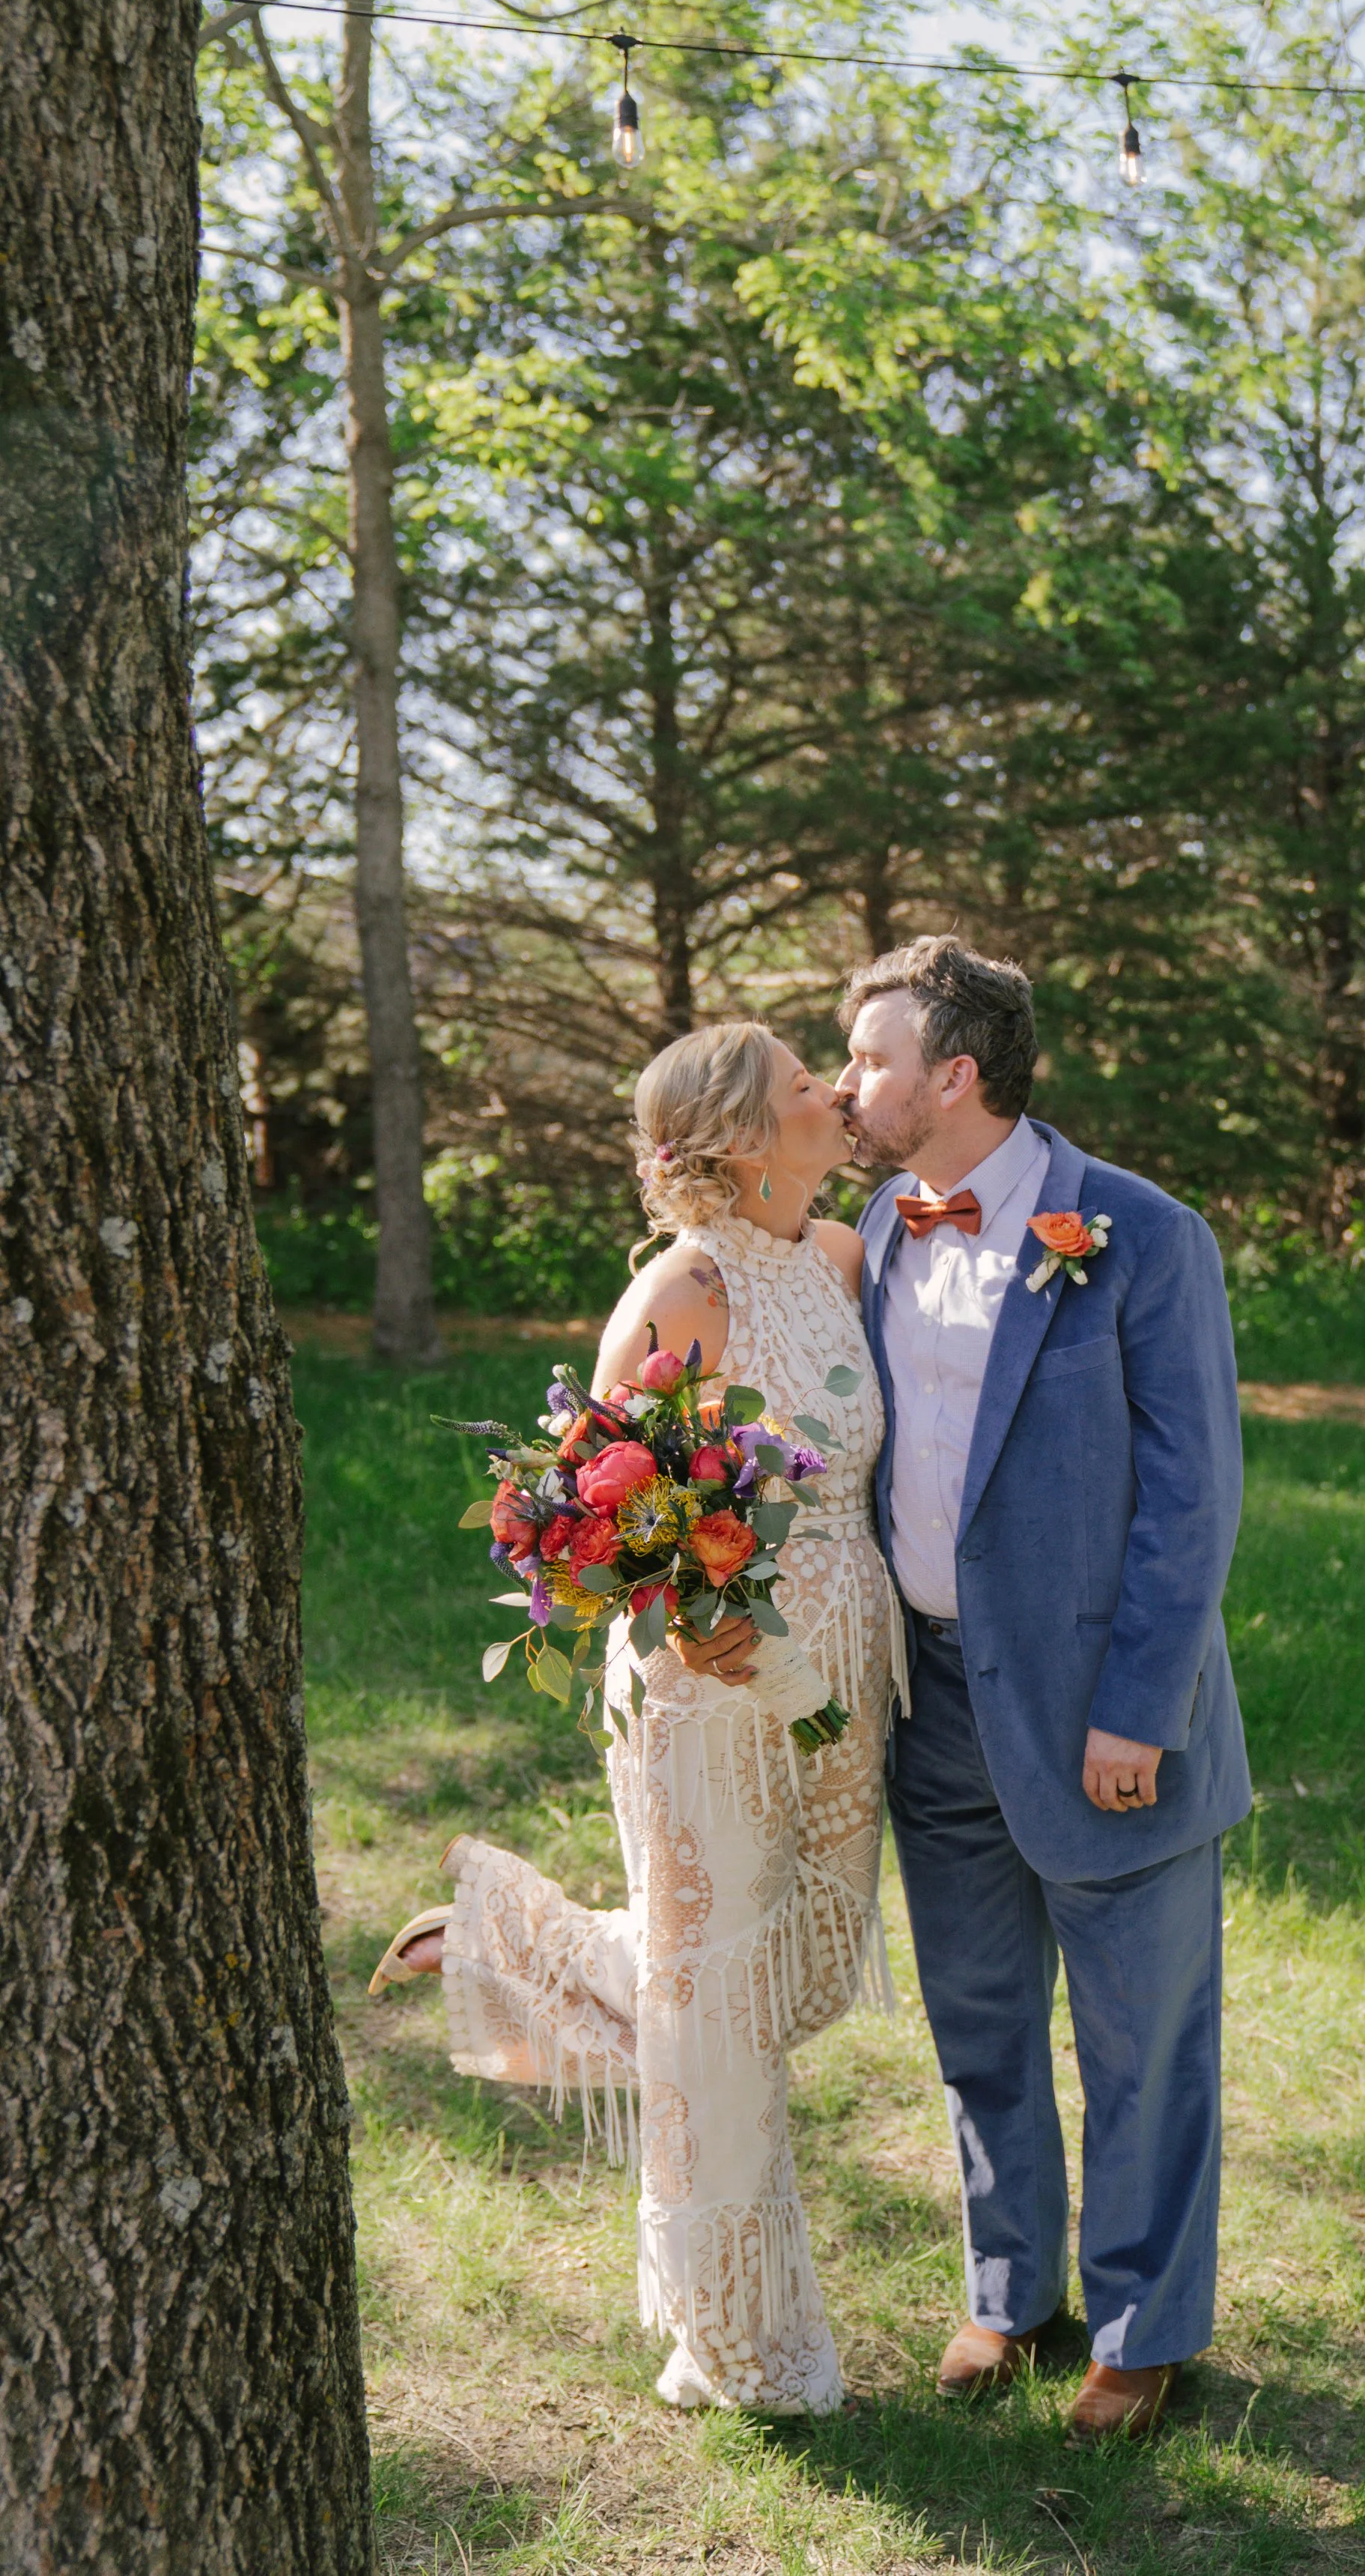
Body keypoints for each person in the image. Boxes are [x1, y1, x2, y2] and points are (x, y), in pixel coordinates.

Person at [368, 1022, 905, 2415]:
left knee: (807, 1968)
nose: (834, 1093)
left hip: (849, 1661)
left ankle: (522, 1941)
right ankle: (743, 2342)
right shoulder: (682, 1286)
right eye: (806, 1083)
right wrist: (693, 1609)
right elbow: (583, 1515)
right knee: (720, 1989)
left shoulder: (844, 1259)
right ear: (736, 1136)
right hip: (709, 1676)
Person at [836, 936, 1250, 2440]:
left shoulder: (1138, 1235)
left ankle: (1142, 2331)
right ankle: (1007, 2290)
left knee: (1140, 2042)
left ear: (952, 1073)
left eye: (871, 1058)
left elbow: (1190, 1498)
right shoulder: (881, 1223)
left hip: (1103, 1717)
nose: (848, 1084)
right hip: (930, 1701)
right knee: (980, 2021)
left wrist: (1139, 1707)